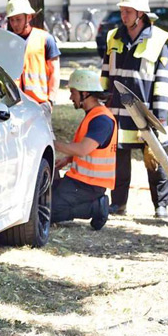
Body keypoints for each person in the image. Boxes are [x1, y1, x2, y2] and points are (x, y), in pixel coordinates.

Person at [100, 0, 168, 218]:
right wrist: (101, 100)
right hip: (117, 111)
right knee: (119, 160)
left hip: (146, 113)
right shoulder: (114, 37)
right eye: (122, 11)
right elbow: (105, 72)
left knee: (155, 160)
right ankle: (118, 203)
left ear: (141, 14)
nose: (123, 16)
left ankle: (161, 205)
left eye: (128, 12)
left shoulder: (160, 40)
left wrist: (159, 118)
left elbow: (163, 82)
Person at [52, 69, 117, 230]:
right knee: (42, 202)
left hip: (88, 185)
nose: (70, 97)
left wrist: (51, 143)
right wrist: (67, 160)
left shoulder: (101, 119)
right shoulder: (94, 115)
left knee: (46, 211)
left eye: (73, 92)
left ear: (85, 93)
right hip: (81, 181)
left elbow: (82, 149)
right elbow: (90, 151)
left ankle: (96, 207)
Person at [5, 0, 60, 115]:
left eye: (18, 19)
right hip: (15, 105)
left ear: (28, 17)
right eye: (12, 20)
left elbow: (55, 71)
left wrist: (51, 101)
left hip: (40, 104)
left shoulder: (45, 39)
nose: (14, 24)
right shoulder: (7, 42)